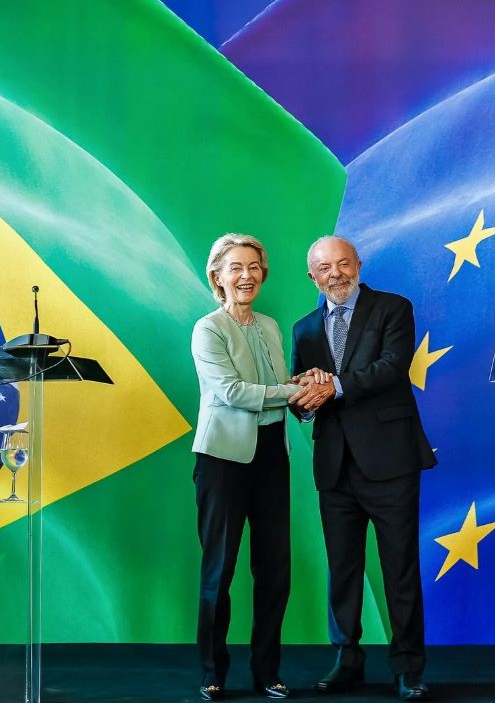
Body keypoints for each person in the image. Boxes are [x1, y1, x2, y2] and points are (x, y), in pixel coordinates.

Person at [289, 235, 437, 701]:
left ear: (358, 264)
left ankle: (408, 667)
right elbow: (301, 395)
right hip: (334, 467)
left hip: (390, 460)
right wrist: (305, 401)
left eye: (342, 263)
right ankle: (347, 659)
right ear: (312, 276)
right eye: (324, 267)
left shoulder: (393, 308)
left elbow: (393, 368)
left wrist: (330, 386)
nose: (335, 273)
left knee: (400, 568)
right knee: (343, 570)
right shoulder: (304, 328)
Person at [191, 233, 303, 701]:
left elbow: (279, 387)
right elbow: (232, 393)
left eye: (254, 267)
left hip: (273, 454)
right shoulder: (208, 328)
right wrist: (291, 390)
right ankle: (212, 671)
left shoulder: (273, 327)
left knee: (275, 570)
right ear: (217, 276)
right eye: (235, 267)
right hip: (223, 458)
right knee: (220, 568)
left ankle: (267, 671)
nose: (246, 275)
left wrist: (307, 388)